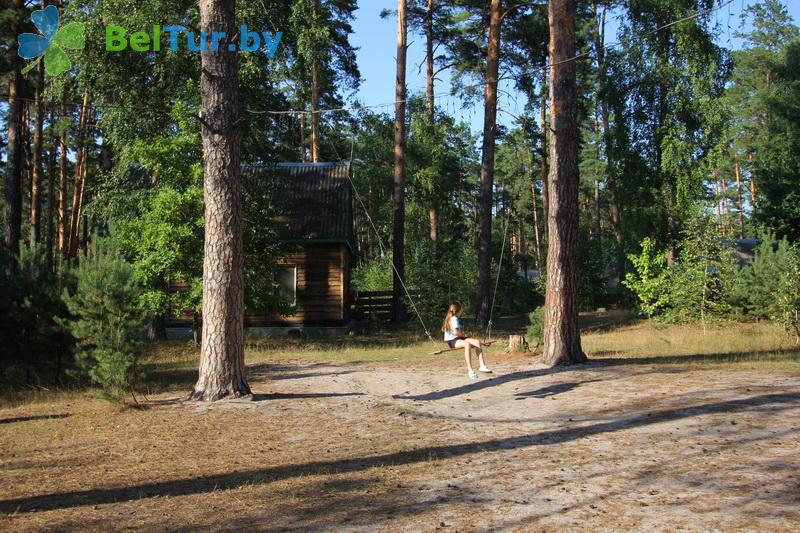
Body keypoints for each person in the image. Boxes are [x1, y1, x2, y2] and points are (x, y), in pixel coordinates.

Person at [441, 302, 491, 379]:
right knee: (466, 345)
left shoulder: (454, 318)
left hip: (458, 339)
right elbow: (456, 333)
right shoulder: (453, 318)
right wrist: (465, 335)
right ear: (458, 310)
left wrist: (465, 335)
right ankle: (470, 371)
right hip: (452, 341)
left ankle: (482, 366)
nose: (462, 312)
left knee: (477, 342)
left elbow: (457, 333)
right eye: (462, 310)